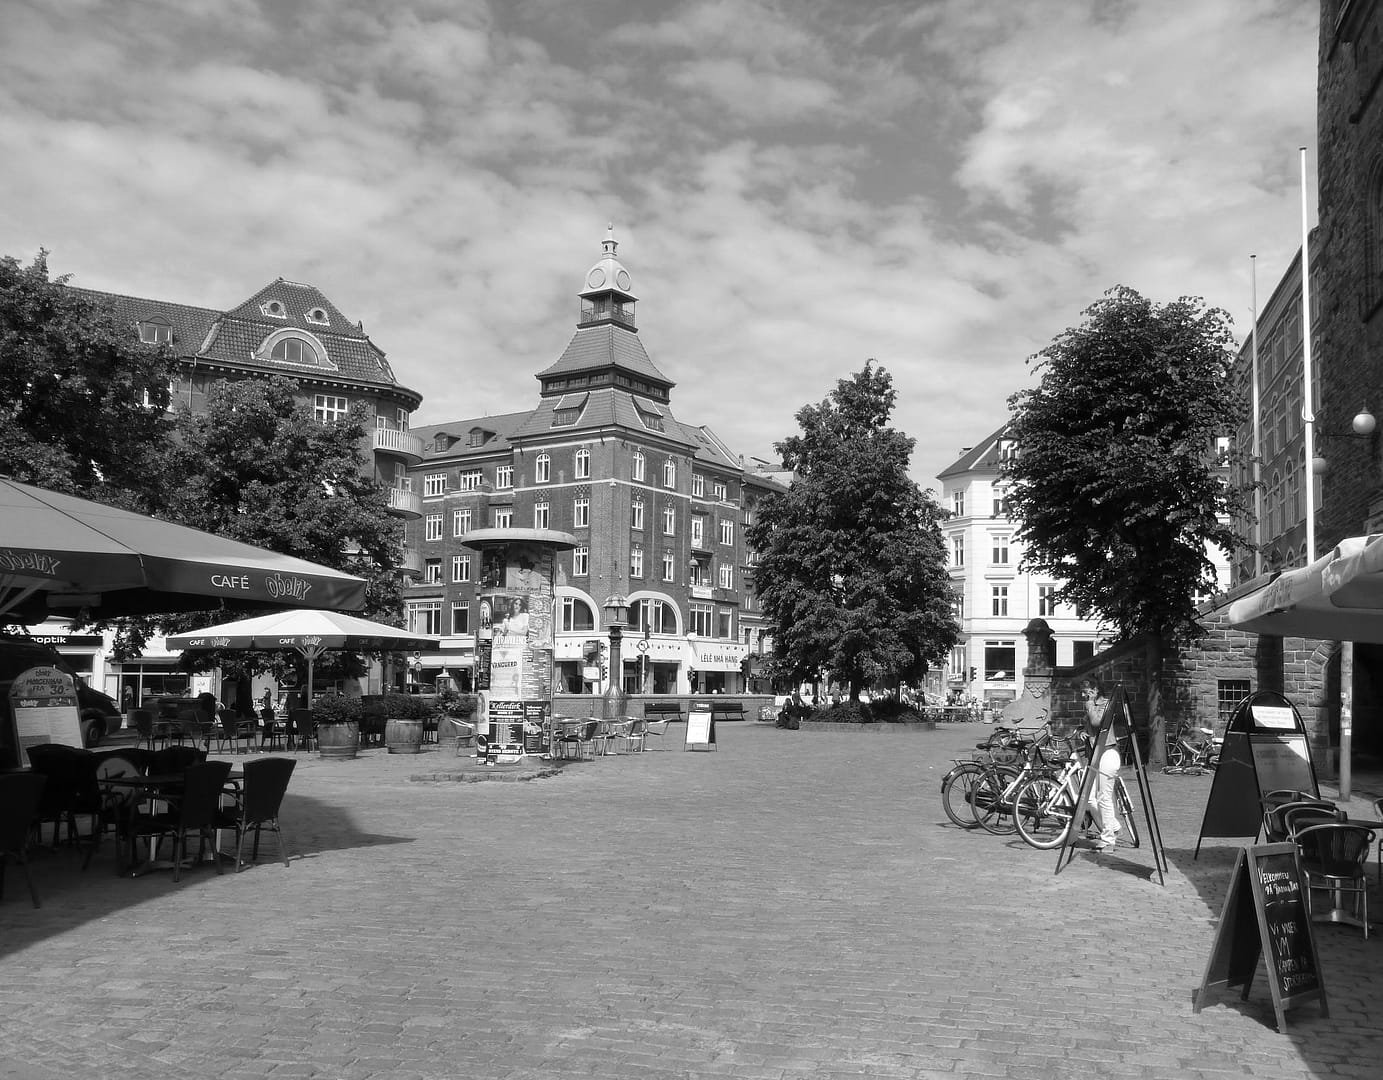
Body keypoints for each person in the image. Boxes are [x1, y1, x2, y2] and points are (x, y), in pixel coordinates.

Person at [1080, 677, 1121, 851]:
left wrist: (1090, 704)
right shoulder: (1090, 704)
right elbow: (1089, 725)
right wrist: (1083, 732)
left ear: (1095, 690)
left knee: (1104, 796)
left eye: (1085, 692)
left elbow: (1098, 723)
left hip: (1107, 753)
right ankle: (1113, 825)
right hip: (1096, 754)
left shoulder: (1106, 704)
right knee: (1089, 798)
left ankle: (1108, 839)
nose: (1083, 695)